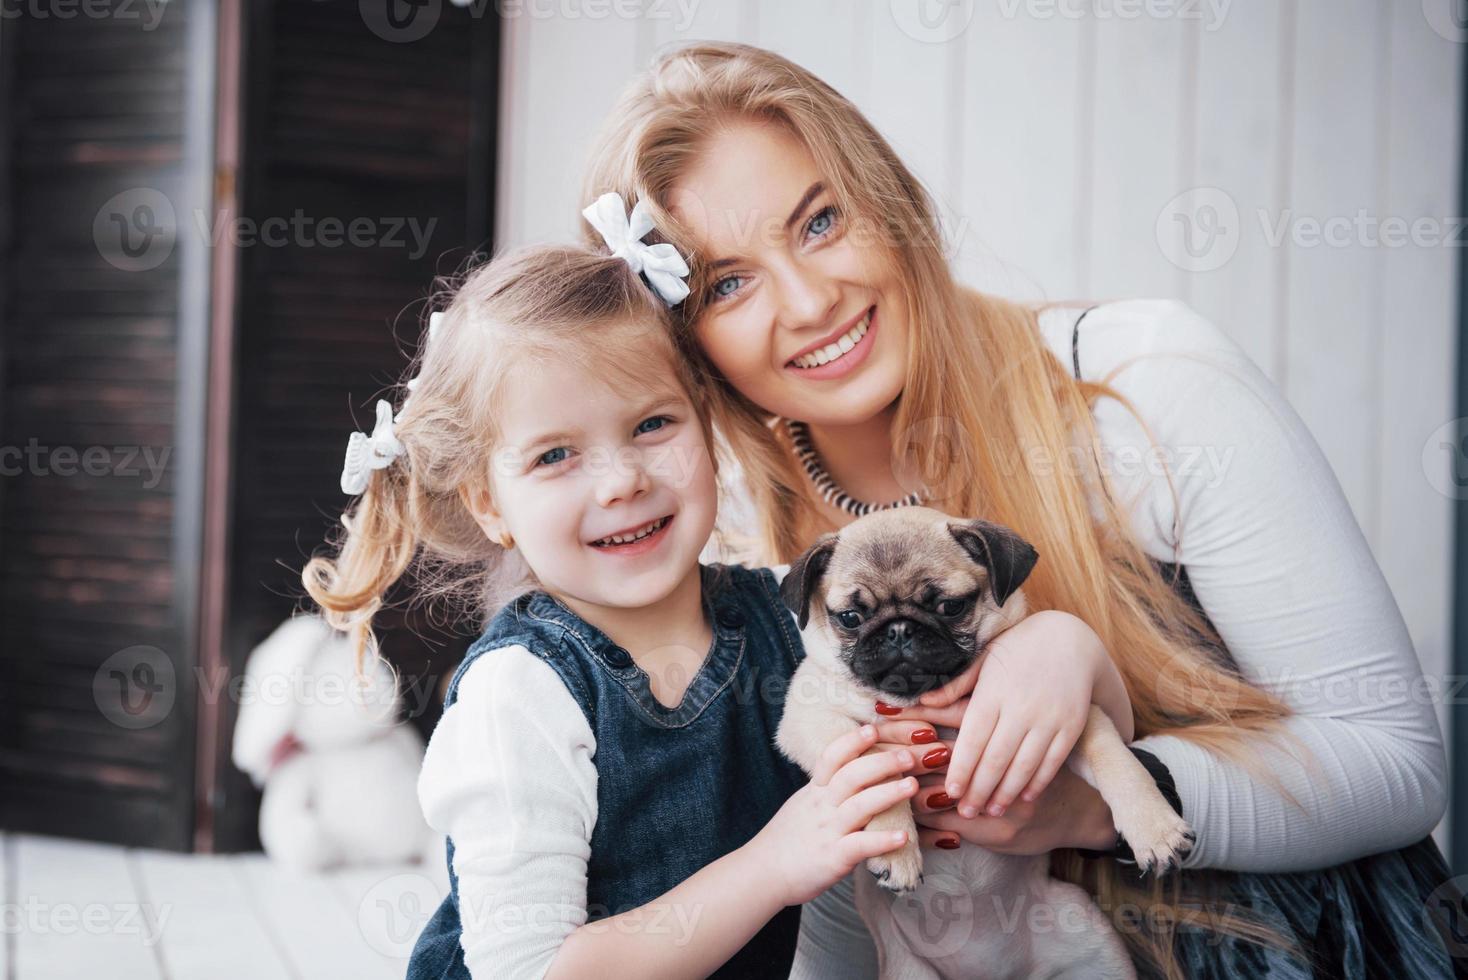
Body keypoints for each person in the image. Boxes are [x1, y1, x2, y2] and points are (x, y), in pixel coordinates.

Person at [578, 41, 1463, 978]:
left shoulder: (1142, 387)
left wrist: (1088, 798)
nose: (808, 299)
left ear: (890, 198)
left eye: (821, 219)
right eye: (727, 281)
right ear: (684, 341)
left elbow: (1398, 766)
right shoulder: (739, 547)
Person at [302, 203, 946, 979]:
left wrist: (1061, 651)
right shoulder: (521, 698)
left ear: (705, 426)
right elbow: (533, 971)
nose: (622, 483)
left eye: (651, 426)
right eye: (555, 456)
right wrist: (774, 866)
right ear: (487, 503)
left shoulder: (794, 612)